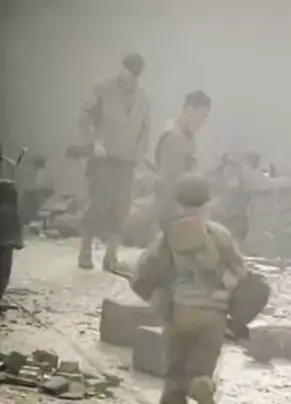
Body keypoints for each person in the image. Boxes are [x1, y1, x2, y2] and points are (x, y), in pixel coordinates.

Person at [130, 174, 248, 404]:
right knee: (202, 368)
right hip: (214, 315)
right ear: (209, 201)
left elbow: (146, 270)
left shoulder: (168, 235)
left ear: (177, 201)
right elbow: (241, 272)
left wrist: (151, 294)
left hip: (180, 312)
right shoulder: (220, 234)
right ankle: (200, 383)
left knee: (174, 377)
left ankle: (184, 388)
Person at [78, 53, 151, 271]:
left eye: (133, 77)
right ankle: (85, 251)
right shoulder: (103, 88)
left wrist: (141, 150)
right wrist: (94, 141)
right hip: (103, 157)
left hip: (127, 161)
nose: (128, 80)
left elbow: (145, 127)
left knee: (121, 209)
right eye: (125, 74)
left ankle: (111, 256)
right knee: (96, 204)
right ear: (121, 69)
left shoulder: (143, 97)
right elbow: (85, 116)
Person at [153, 90, 211, 228]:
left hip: (183, 206)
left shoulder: (188, 137)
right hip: (173, 210)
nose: (203, 121)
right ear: (189, 110)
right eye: (202, 115)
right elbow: (170, 180)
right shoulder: (174, 137)